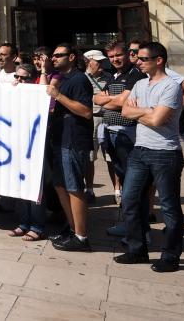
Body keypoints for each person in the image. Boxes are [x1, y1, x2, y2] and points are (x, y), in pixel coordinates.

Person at [115, 42, 184, 273]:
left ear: (159, 60)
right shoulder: (139, 84)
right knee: (130, 200)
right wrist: (148, 111)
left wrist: (142, 113)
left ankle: (171, 255)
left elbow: (158, 121)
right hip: (140, 150)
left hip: (165, 153)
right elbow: (125, 112)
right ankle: (137, 249)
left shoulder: (171, 87)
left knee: (169, 206)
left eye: (143, 58)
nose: (137, 61)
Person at [47, 43, 94, 252]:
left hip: (74, 140)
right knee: (60, 184)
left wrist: (58, 96)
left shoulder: (79, 79)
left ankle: (82, 236)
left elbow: (85, 111)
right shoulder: (62, 79)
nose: (54, 58)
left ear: (73, 57)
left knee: (74, 186)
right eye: (53, 55)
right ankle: (73, 227)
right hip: (59, 138)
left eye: (59, 55)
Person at [97, 41, 146, 207]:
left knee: (132, 175)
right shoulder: (113, 76)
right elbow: (96, 98)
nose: (115, 59)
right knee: (121, 172)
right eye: (111, 56)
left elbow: (120, 102)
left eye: (118, 55)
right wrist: (109, 100)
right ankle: (128, 214)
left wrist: (107, 100)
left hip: (127, 133)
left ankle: (136, 217)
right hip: (110, 132)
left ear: (127, 54)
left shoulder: (136, 74)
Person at [8, 62, 47, 241]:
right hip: (17, 146)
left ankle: (37, 226)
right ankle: (23, 223)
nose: (19, 81)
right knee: (21, 185)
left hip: (35, 146)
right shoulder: (11, 92)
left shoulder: (37, 93)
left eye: (24, 78)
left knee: (35, 188)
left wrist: (44, 72)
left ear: (33, 80)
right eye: (17, 77)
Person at [84, 49, 114, 203]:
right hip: (91, 120)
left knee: (111, 157)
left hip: (108, 119)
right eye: (98, 61)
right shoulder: (81, 79)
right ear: (88, 61)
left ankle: (118, 191)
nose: (102, 64)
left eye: (103, 61)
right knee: (90, 157)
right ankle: (89, 190)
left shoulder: (110, 77)